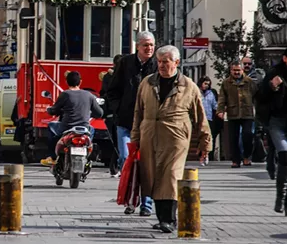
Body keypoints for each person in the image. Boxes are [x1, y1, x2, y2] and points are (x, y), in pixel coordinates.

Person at [131, 45, 211, 233]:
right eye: (159, 61)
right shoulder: (147, 83)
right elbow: (138, 112)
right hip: (149, 134)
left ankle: (169, 219)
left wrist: (205, 143)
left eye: (165, 62)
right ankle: (162, 218)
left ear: (176, 62)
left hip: (176, 136)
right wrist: (135, 138)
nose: (161, 65)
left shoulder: (188, 86)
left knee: (171, 175)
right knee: (153, 177)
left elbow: (200, 116)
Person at [107, 31, 157, 216]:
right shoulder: (126, 63)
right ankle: (130, 200)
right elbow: (112, 90)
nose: (149, 48)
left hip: (149, 123)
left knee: (148, 164)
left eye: (151, 45)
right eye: (145, 45)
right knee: (127, 159)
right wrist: (118, 108)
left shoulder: (157, 64)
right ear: (138, 46)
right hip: (126, 121)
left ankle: (146, 204)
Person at [40, 71, 103, 167]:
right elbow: (99, 113)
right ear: (80, 82)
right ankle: (87, 151)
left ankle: (51, 157)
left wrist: (49, 110)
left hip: (66, 127)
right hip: (84, 128)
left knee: (51, 126)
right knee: (92, 130)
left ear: (66, 82)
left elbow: (54, 110)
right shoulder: (89, 95)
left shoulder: (65, 94)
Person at [259, 48, 287, 214]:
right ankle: (280, 196)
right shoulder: (274, 73)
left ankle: (285, 199)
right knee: (284, 154)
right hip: (277, 121)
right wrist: (271, 86)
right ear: (285, 58)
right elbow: (260, 97)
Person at [217, 60, 257, 168]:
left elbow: (256, 96)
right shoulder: (226, 83)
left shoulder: (249, 81)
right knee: (233, 138)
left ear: (242, 70)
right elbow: (222, 97)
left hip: (247, 113)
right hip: (233, 113)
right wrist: (220, 110)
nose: (236, 72)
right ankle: (235, 160)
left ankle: (247, 157)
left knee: (247, 135)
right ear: (231, 70)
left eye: (238, 70)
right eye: (234, 70)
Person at [197, 76, 220, 163]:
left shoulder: (211, 93)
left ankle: (208, 155)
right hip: (199, 118)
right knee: (200, 137)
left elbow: (214, 105)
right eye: (205, 83)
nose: (206, 86)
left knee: (210, 137)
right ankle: (201, 155)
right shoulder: (196, 91)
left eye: (208, 84)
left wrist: (220, 109)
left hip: (209, 118)